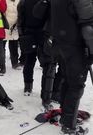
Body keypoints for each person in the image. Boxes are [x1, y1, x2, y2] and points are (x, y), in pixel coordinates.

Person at [35, 0, 91, 134]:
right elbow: (89, 28)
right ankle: (68, 125)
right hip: (73, 47)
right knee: (76, 85)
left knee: (67, 80)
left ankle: (66, 117)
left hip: (59, 44)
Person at [17, 0, 44, 96]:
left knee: (44, 63)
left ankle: (44, 91)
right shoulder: (23, 2)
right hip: (31, 34)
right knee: (30, 61)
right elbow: (20, 19)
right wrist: (22, 35)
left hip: (41, 34)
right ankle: (28, 86)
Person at [4, 0, 24, 70]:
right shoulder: (5, 1)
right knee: (1, 45)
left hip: (15, 27)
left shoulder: (19, 1)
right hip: (5, 26)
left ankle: (15, 63)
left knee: (14, 45)